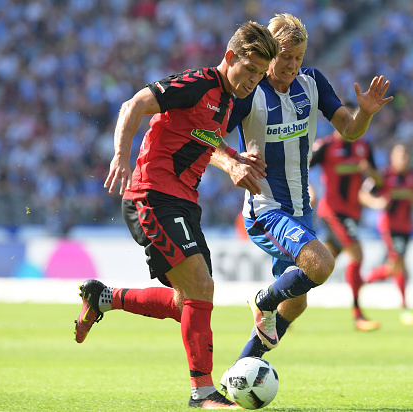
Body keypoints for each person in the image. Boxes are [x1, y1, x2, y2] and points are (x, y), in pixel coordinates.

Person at [73, 21, 279, 409]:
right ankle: (202, 393)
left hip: (183, 201)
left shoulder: (228, 101)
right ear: (231, 57)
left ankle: (104, 298)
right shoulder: (198, 83)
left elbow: (202, 136)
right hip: (151, 195)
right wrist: (120, 155)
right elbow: (133, 104)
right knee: (202, 288)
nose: (253, 80)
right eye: (249, 69)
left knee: (187, 300)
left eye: (259, 74)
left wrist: (234, 158)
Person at [213, 13, 393, 362]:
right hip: (266, 208)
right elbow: (210, 137)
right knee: (322, 265)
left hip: (301, 210)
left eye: (299, 57)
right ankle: (262, 300)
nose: (293, 65)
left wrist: (365, 113)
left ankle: (245, 366)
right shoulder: (251, 92)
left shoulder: (312, 83)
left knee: (296, 303)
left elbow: (350, 130)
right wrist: (233, 163)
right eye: (285, 57)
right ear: (269, 54)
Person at [309, 102, 383, 331]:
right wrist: (310, 191)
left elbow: (378, 181)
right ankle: (358, 314)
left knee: (318, 266)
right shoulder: (325, 146)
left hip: (352, 213)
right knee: (357, 254)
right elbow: (300, 168)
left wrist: (368, 172)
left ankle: (279, 303)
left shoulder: (363, 147)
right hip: (333, 212)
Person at [359, 142, 413, 326]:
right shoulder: (383, 175)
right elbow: (363, 194)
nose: (403, 159)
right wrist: (378, 203)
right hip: (389, 226)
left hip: (406, 227)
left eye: (406, 155)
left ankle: (365, 280)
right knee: (397, 261)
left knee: (398, 266)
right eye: (399, 155)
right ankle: (403, 306)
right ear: (392, 158)